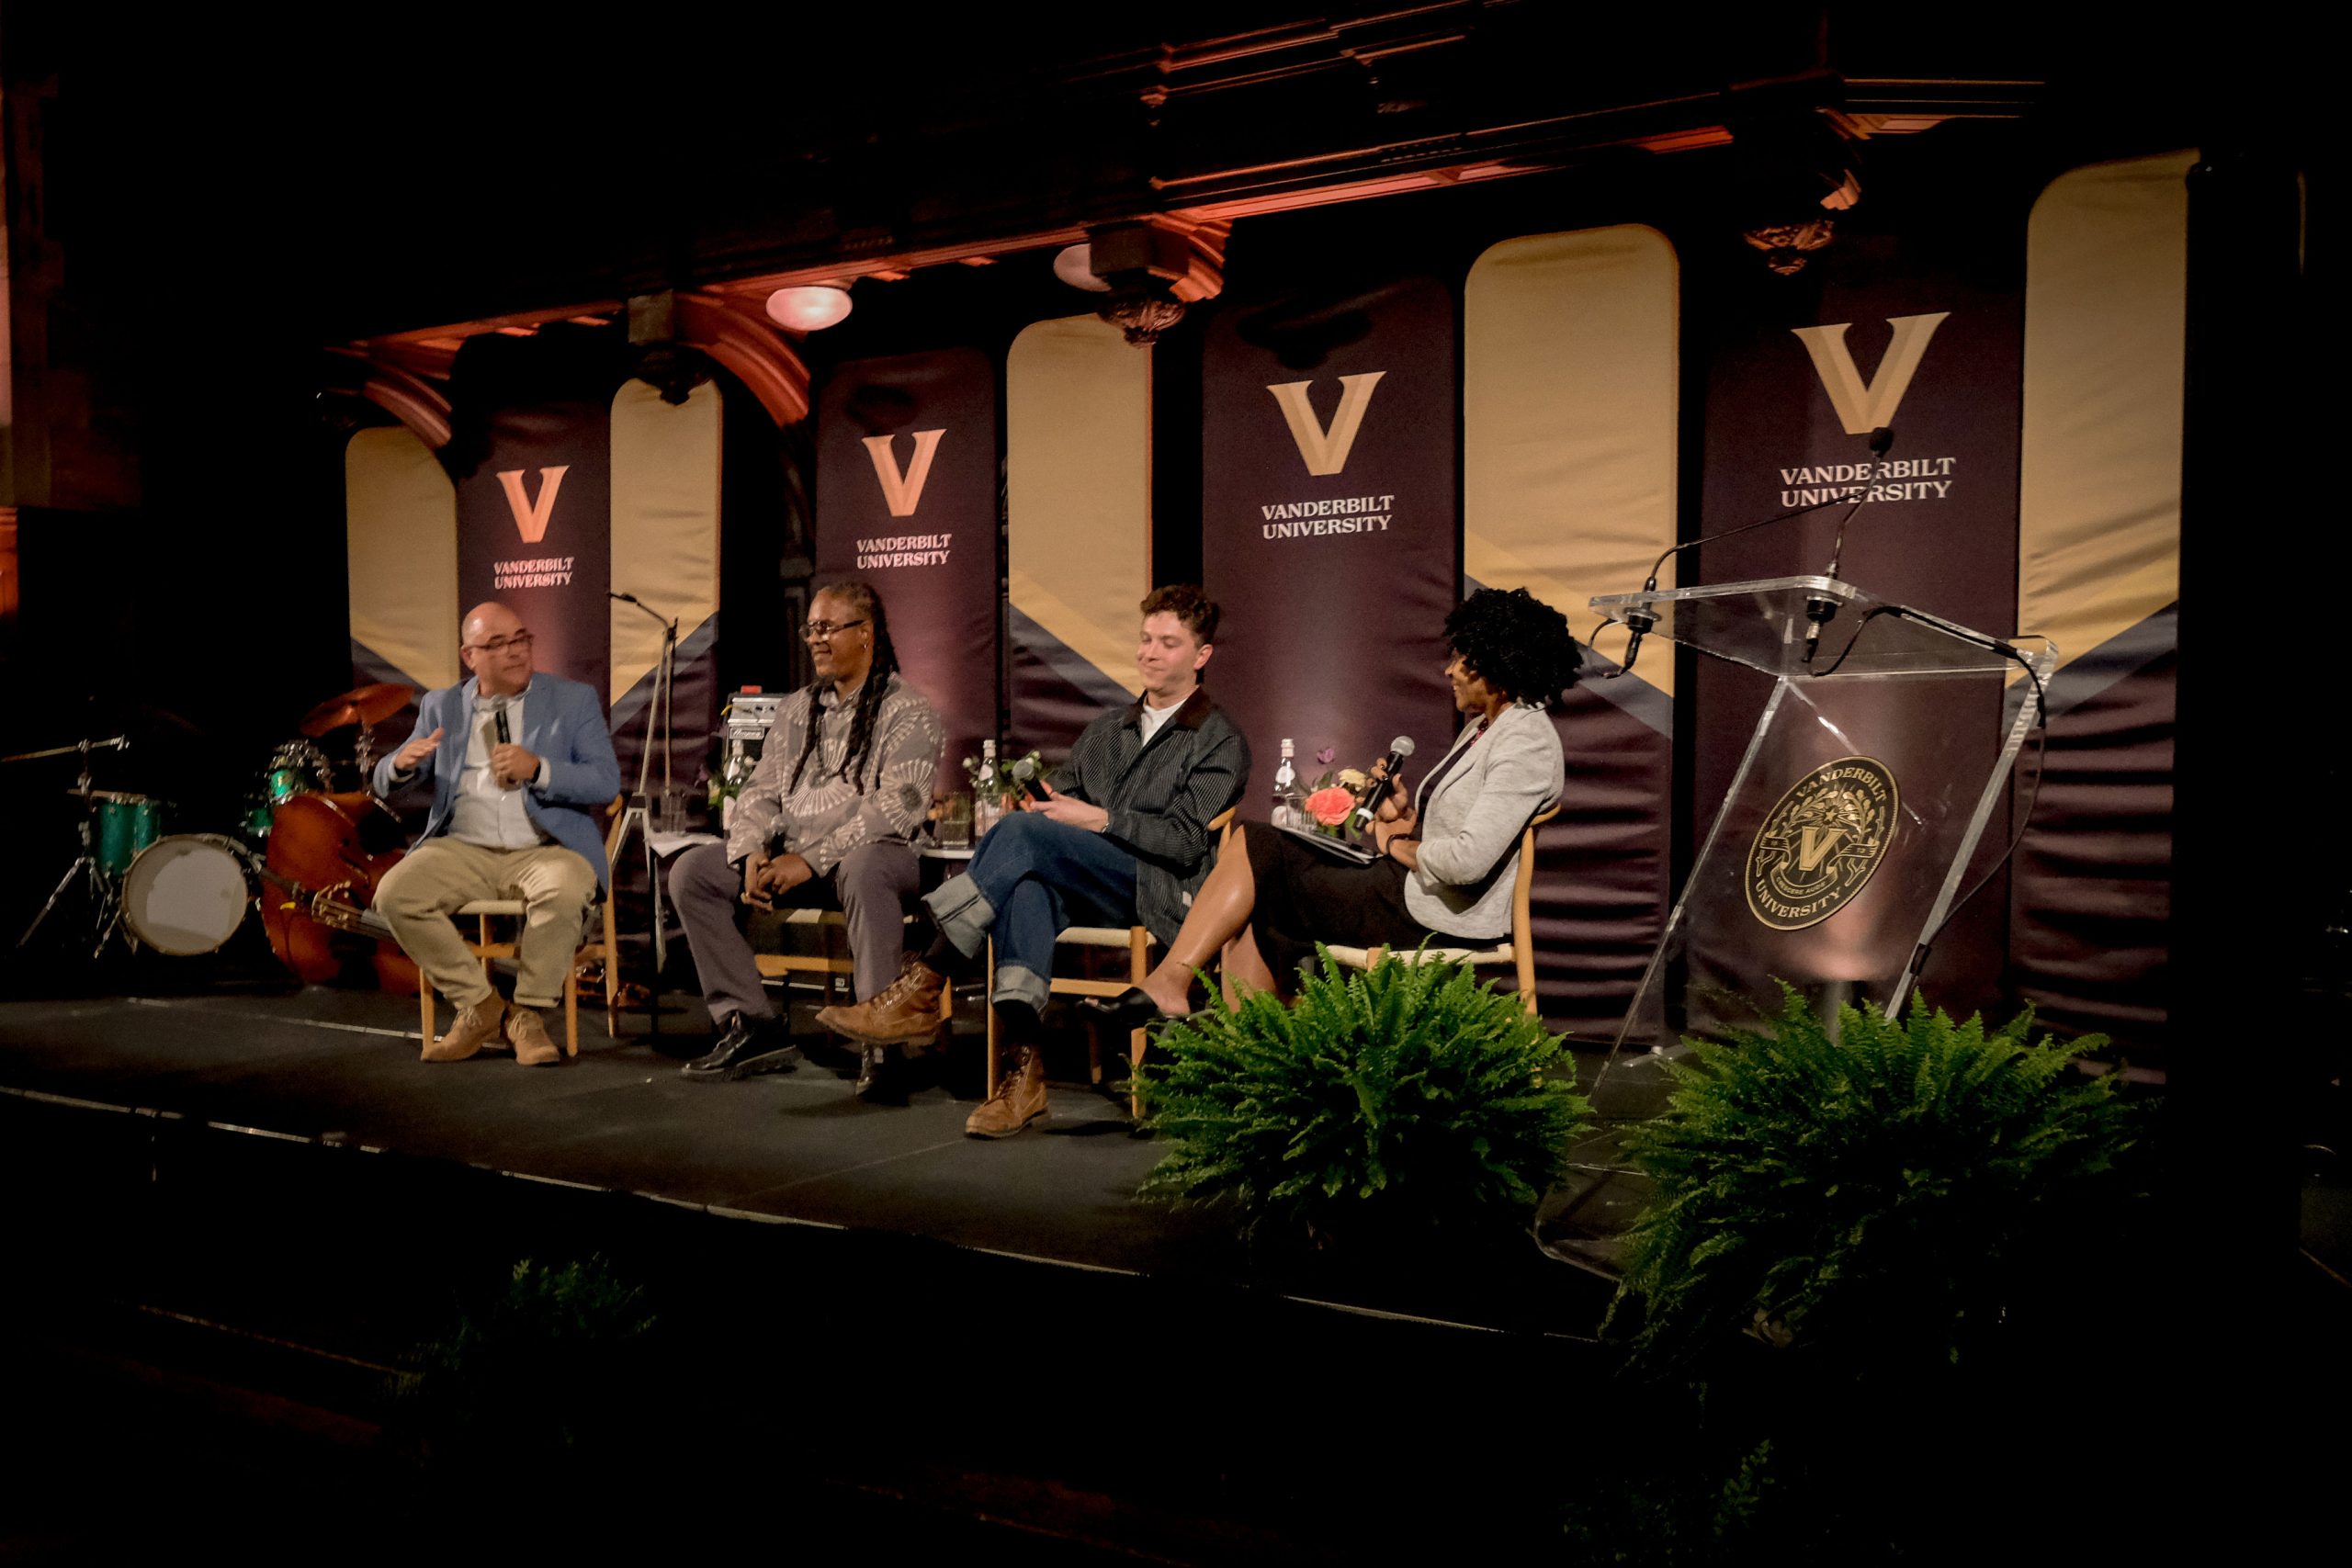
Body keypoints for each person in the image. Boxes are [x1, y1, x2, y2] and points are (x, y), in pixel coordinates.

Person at [820, 583, 1249, 1137]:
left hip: (1161, 886)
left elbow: (1188, 843)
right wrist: (1041, 802)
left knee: (1022, 840)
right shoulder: (1109, 730)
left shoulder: (1218, 739)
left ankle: (929, 974)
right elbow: (1059, 798)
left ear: (1201, 656)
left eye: (1168, 643)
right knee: (1025, 884)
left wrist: (1099, 820)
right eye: (1145, 639)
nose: (1149, 652)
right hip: (1084, 878)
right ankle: (1024, 1075)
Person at [1091, 586, 1577, 1026]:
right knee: (1256, 877)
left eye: (1463, 660)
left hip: (1434, 914)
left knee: (1258, 853)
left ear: (1498, 664)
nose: (1450, 670)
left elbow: (1468, 863)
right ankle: (1235, 1050)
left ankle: (1190, 1001)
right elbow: (1451, 831)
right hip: (1408, 891)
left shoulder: (1526, 741)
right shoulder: (1484, 727)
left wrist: (1398, 844)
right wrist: (1403, 816)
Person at [667, 580, 944, 1094]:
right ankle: (752, 1023)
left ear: (866, 634)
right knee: (693, 873)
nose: (815, 639)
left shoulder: (908, 711)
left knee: (864, 868)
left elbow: (894, 811)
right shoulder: (796, 709)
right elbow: (758, 791)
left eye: (827, 628)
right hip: (794, 859)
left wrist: (811, 861)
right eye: (810, 628)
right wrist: (749, 849)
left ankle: (882, 1044)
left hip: (880, 860)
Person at [373, 601, 622, 1066]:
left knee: (567, 889)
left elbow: (606, 781)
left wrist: (540, 768)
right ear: (470, 656)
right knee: (394, 895)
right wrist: (400, 765)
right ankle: (482, 1006)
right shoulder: (441, 704)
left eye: (521, 639)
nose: (515, 651)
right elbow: (387, 773)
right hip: (462, 847)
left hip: (544, 847)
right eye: (498, 644)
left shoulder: (572, 699)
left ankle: (527, 1014)